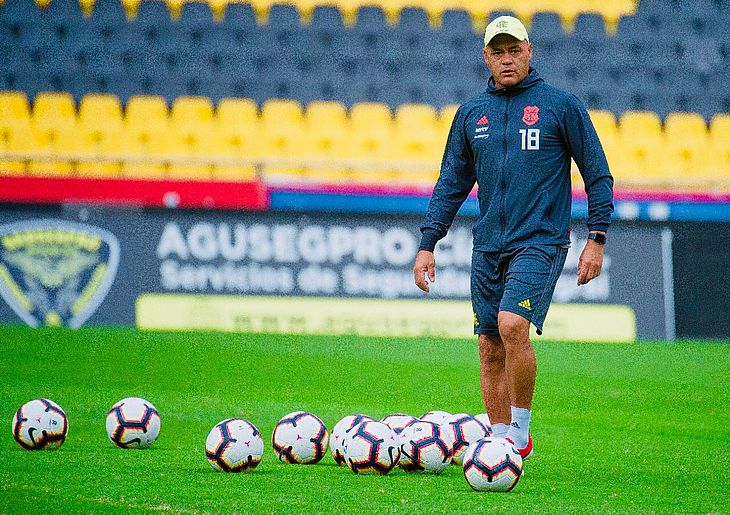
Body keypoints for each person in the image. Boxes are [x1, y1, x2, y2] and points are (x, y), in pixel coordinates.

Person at [412, 16, 614, 460]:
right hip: (487, 245)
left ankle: (519, 435)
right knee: (488, 345)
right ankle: (497, 441)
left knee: (512, 326)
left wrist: (596, 237)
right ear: (486, 56)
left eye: (514, 50)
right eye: (497, 52)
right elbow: (451, 182)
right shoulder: (471, 114)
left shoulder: (560, 106)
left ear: (529, 50)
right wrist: (428, 242)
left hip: (539, 241)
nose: (507, 59)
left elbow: (597, 176)